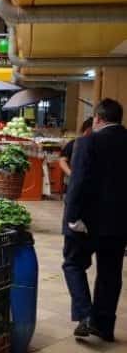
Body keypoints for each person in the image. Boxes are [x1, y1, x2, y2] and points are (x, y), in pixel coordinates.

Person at [62, 98, 127, 342]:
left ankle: (86, 315)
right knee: (110, 274)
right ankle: (105, 326)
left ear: (97, 118)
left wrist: (73, 218)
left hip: (86, 223)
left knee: (73, 264)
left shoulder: (88, 141)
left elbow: (77, 183)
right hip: (119, 224)